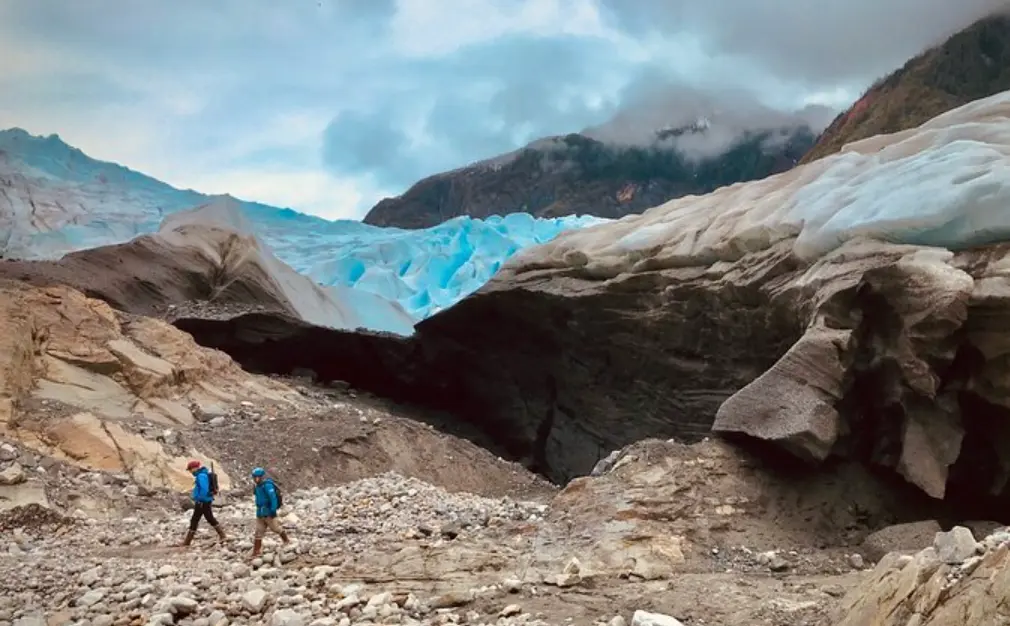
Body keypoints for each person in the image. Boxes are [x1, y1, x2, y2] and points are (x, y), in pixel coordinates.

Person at [179, 460, 226, 547]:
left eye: (190, 469)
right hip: (205, 501)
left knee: (197, 519)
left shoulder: (201, 476)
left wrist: (199, 498)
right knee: (206, 518)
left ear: (195, 468)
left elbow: (204, 490)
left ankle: (187, 542)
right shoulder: (203, 475)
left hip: (202, 502)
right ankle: (222, 535)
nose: (190, 471)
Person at [251, 466, 289, 557]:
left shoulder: (267, 485)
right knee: (258, 531)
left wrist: (273, 510)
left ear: (262, 477)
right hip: (260, 512)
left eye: (258, 477)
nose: (256, 479)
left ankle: (286, 540)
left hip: (268, 512)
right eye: (255, 477)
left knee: (275, 529)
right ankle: (256, 552)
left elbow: (273, 499)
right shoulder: (257, 486)